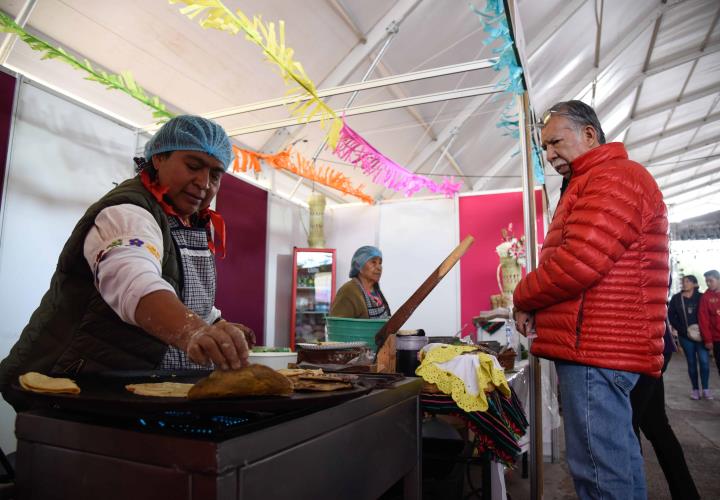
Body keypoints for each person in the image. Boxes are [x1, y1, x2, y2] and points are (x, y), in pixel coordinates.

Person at [0, 115, 253, 398]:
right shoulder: (127, 213)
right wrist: (194, 331)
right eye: (193, 166)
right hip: (76, 384)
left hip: (136, 382)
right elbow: (136, 283)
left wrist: (216, 326)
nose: (204, 183)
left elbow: (183, 294)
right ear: (158, 158)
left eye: (216, 175)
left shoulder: (188, 222)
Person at [512, 100, 668, 500]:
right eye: (544, 149)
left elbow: (579, 262)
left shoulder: (613, 177)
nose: (548, 156)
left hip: (597, 349)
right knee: (618, 466)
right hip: (603, 346)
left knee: (600, 476)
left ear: (589, 134)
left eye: (555, 143)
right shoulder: (598, 179)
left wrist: (523, 295)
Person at [630, 317, 700, 500]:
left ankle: (631, 492)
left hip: (641, 346)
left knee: (627, 427)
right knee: (657, 426)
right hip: (654, 343)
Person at [668, 275, 711, 399]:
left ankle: (706, 389)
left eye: (687, 281)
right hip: (685, 336)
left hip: (701, 335)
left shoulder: (701, 297)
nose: (684, 284)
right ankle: (695, 389)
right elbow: (671, 316)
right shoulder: (676, 298)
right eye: (683, 281)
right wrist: (682, 330)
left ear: (694, 284)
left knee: (704, 362)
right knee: (691, 362)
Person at [330, 246, 391, 319]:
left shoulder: (376, 291)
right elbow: (338, 326)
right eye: (373, 262)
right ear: (359, 266)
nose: (379, 268)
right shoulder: (348, 291)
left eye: (380, 263)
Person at [700, 269, 720, 376]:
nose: (708, 283)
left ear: (718, 279)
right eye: (706, 281)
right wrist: (708, 340)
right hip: (717, 339)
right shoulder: (706, 297)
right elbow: (704, 320)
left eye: (710, 281)